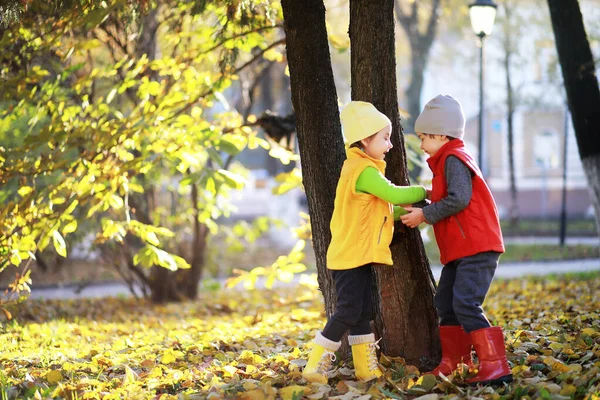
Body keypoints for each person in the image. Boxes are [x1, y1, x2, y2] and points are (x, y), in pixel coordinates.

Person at [302, 101, 428, 384]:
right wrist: (427, 191)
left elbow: (380, 210)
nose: (391, 144)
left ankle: (365, 369)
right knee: (347, 311)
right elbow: (393, 195)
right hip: (349, 256)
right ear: (364, 139)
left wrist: (401, 214)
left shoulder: (364, 169)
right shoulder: (363, 171)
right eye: (385, 137)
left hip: (357, 256)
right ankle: (314, 366)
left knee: (363, 312)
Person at [400, 94, 513, 385]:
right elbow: (447, 198)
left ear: (440, 134)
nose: (422, 145)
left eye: (424, 137)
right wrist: (424, 202)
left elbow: (459, 199)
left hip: (477, 248)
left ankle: (495, 365)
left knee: (465, 304)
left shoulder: (453, 158)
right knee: (446, 303)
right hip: (460, 251)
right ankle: (454, 361)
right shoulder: (445, 162)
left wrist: (424, 216)